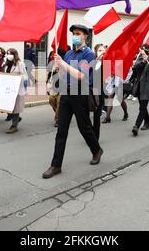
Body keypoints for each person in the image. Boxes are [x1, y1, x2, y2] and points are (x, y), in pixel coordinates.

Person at [42, 24, 103, 179]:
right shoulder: (69, 53)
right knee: (61, 130)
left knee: (85, 128)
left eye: (78, 33)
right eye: (73, 33)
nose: (75, 36)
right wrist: (57, 71)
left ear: (85, 36)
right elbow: (65, 72)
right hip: (66, 93)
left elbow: (81, 75)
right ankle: (56, 165)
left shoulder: (88, 54)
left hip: (80, 94)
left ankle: (96, 150)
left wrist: (63, 64)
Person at [131, 44, 149, 136]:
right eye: (142, 49)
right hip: (138, 87)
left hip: (147, 87)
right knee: (142, 106)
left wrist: (147, 58)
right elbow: (135, 68)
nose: (142, 51)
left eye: (145, 50)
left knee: (142, 107)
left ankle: (136, 126)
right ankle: (147, 121)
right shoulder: (139, 59)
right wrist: (143, 61)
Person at [1, 48, 28, 133]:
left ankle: (14, 126)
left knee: (15, 107)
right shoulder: (6, 64)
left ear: (15, 54)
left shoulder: (20, 64)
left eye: (10, 53)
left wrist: (18, 76)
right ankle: (16, 118)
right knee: (10, 107)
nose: (9, 55)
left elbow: (25, 76)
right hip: (9, 89)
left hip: (18, 89)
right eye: (8, 53)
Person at [47, 47, 68, 128]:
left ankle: (58, 120)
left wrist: (60, 70)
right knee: (51, 101)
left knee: (60, 103)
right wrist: (47, 83)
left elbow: (67, 75)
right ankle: (62, 114)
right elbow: (49, 74)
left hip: (63, 86)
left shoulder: (66, 63)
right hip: (54, 86)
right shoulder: (52, 63)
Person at [92, 44, 106, 141]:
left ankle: (95, 137)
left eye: (103, 50)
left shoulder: (106, 63)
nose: (102, 52)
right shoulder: (91, 62)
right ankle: (90, 133)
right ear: (96, 52)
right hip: (89, 92)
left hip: (100, 92)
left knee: (97, 116)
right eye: (100, 50)